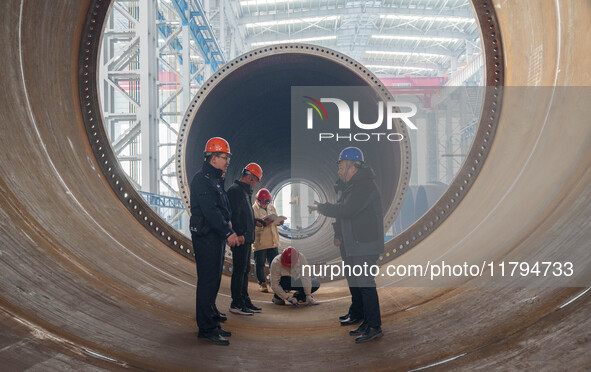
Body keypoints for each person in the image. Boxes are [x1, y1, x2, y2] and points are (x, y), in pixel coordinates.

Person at [309, 147, 384, 343]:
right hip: (355, 244)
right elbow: (345, 216)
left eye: (342, 167)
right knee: (359, 284)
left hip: (365, 244)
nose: (339, 171)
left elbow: (348, 210)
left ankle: (374, 326)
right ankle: (367, 322)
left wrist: (322, 208)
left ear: (354, 167)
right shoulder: (351, 187)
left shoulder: (365, 186)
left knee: (366, 285)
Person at [190, 137, 241, 346]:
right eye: (224, 157)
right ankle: (206, 329)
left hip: (215, 236)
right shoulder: (202, 179)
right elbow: (210, 211)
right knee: (207, 281)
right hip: (206, 236)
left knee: (214, 281)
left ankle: (212, 319)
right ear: (213, 157)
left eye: (228, 158)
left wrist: (229, 225)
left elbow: (222, 207)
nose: (227, 161)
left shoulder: (215, 179)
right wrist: (227, 232)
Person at [227, 163, 263, 315]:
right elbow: (233, 216)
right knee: (239, 271)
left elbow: (244, 216)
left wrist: (256, 221)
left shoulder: (244, 192)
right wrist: (239, 234)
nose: (255, 185)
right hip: (241, 238)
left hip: (246, 238)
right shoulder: (235, 192)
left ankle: (244, 299)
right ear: (250, 177)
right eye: (255, 181)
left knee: (245, 270)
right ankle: (236, 303)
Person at [252, 188, 282, 292]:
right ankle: (262, 283)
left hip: (272, 241)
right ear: (258, 200)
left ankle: (274, 283)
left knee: (274, 264)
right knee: (260, 264)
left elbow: (275, 220)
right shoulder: (253, 209)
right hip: (260, 242)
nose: (265, 204)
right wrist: (264, 224)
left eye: (267, 202)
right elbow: (253, 224)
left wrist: (279, 222)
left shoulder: (271, 208)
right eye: (263, 202)